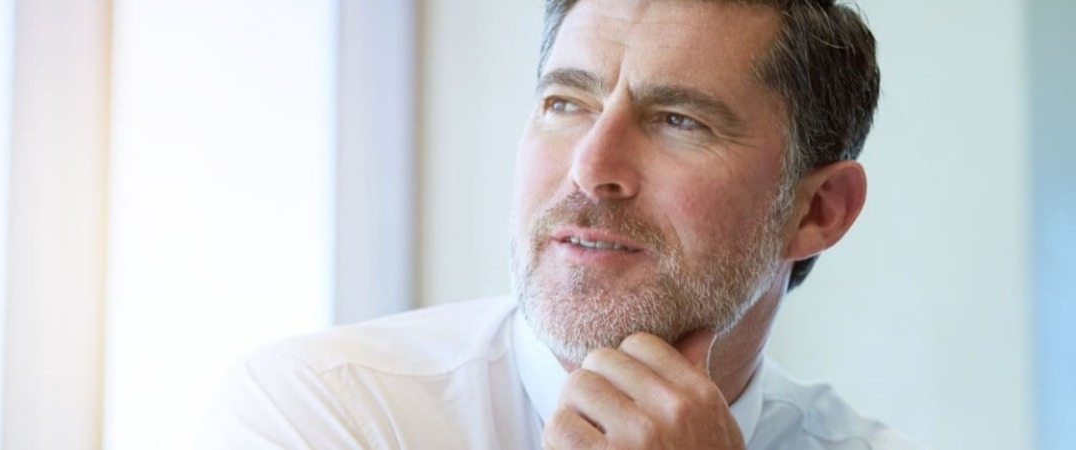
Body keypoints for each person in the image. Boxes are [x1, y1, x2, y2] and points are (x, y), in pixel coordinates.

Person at [198, 0, 916, 448]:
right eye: (565, 104)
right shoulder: (327, 411)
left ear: (819, 211)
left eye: (678, 121)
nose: (589, 166)